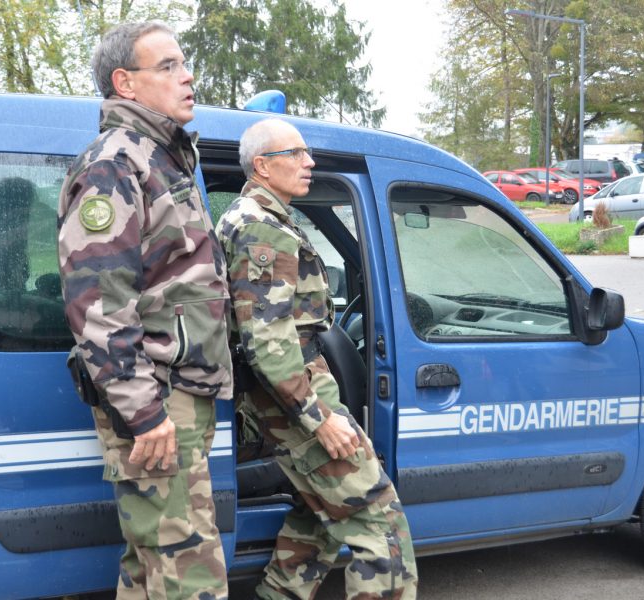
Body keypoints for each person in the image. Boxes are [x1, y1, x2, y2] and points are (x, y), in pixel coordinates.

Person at [57, 22, 232, 599]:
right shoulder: (116, 163)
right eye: (169, 66)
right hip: (157, 400)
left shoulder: (163, 158)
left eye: (186, 64)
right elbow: (98, 303)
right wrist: (145, 412)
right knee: (190, 576)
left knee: (150, 566)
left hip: (173, 396)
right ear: (124, 83)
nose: (188, 77)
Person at [215, 118, 418, 600]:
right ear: (263, 166)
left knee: (320, 516)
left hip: (288, 395)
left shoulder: (248, 217)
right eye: (297, 153)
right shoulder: (261, 229)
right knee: (378, 523)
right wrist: (320, 418)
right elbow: (268, 340)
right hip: (297, 399)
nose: (310, 162)